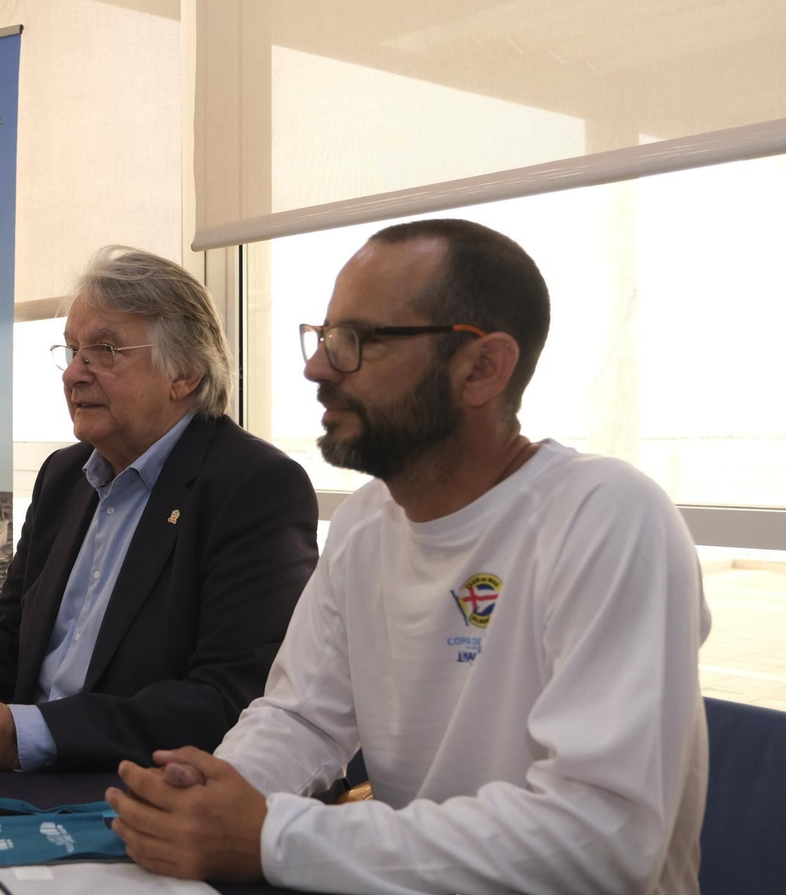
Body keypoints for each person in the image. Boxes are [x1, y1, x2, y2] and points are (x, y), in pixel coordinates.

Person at [106, 219, 709, 894]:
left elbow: (601, 835)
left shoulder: (608, 516)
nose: (317, 366)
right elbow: (301, 717)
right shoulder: (366, 525)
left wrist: (272, 835)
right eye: (325, 336)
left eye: (358, 341)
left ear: (482, 367)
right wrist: (216, 792)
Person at [0, 245, 319, 774]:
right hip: (14, 775)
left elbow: (231, 702)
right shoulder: (65, 476)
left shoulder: (254, 487)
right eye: (72, 351)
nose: (73, 375)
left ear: (186, 375)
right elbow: (9, 638)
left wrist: (17, 734)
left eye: (105, 350)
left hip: (127, 791)